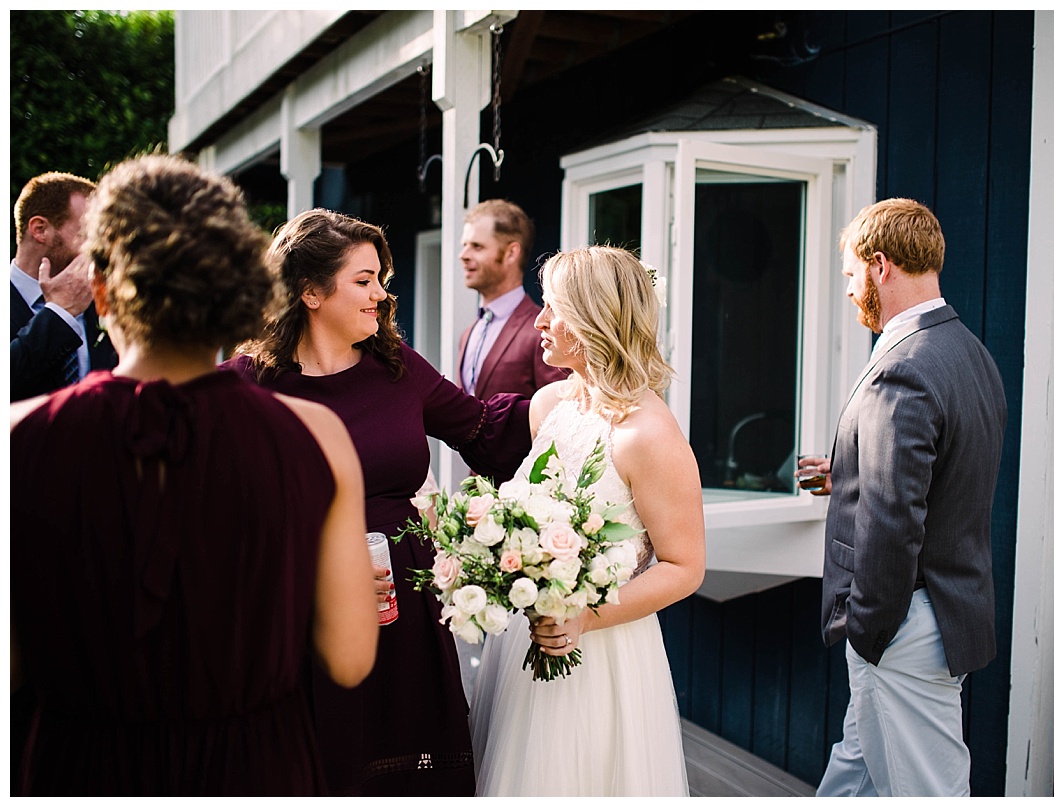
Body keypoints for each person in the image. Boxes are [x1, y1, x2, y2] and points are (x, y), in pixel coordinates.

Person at [9, 154, 379, 795]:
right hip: (255, 771)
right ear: (233, 290)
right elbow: (349, 658)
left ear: (100, 290)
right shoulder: (315, 438)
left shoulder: (21, 438)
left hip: (84, 772)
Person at [223, 208, 533, 796]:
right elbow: (212, 521)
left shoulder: (396, 368)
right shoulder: (247, 385)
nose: (380, 295)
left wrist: (572, 404)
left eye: (379, 279)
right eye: (363, 281)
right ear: (310, 292)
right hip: (299, 619)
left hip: (404, 608)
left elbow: (482, 430)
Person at [469, 245, 706, 796]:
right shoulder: (551, 403)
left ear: (597, 318)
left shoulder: (649, 437)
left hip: (599, 649)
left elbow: (685, 566)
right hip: (523, 644)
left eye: (554, 308)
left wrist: (584, 618)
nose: (539, 321)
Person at [804, 198, 1006, 797]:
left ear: (880, 266)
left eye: (849, 274)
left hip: (903, 626)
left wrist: (870, 629)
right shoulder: (971, 352)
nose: (848, 290)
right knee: (854, 775)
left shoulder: (904, 366)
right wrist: (849, 478)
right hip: (943, 610)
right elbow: (942, 478)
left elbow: (894, 521)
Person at [10, 171, 118, 401]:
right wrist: (59, 314)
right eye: (88, 232)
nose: (99, 247)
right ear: (39, 229)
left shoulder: (102, 300)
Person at [457, 198, 568, 398]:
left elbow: (558, 411)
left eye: (477, 246)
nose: (463, 255)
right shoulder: (468, 334)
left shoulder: (542, 333)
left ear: (511, 253)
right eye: (464, 245)